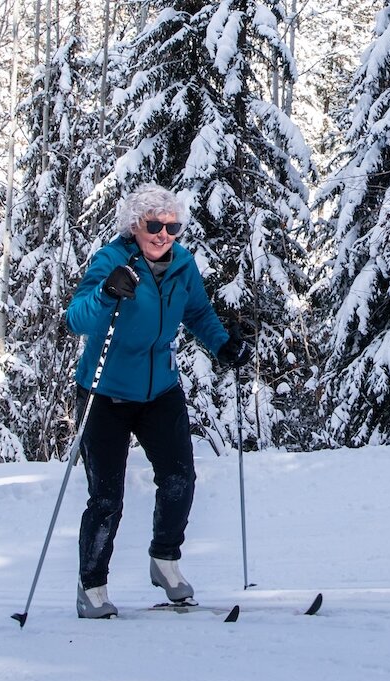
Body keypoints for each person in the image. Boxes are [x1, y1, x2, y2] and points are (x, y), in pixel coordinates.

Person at [67, 184, 252, 618]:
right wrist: (106, 293)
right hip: (104, 391)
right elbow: (78, 318)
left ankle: (164, 560)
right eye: (154, 225)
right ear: (135, 225)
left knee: (179, 478)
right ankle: (91, 586)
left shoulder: (183, 265)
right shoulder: (112, 262)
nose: (164, 234)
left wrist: (222, 346)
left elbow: (199, 313)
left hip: (159, 391)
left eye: (172, 226)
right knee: (107, 497)